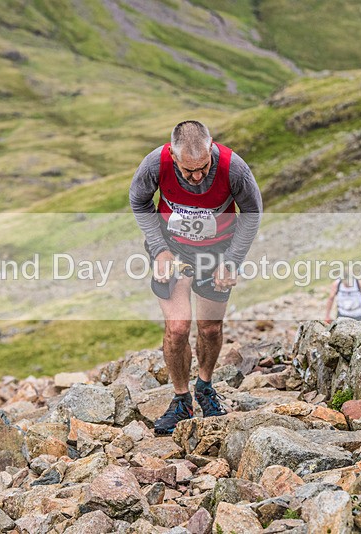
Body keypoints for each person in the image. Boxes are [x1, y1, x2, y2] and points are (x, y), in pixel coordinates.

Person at [130, 121, 262, 435]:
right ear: (173, 155)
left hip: (217, 251)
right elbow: (139, 201)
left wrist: (231, 262)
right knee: (177, 329)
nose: (198, 177)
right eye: (189, 171)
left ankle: (204, 386)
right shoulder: (154, 164)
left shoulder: (234, 169)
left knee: (210, 327)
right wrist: (159, 249)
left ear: (211, 146)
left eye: (203, 167)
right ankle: (180, 399)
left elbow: (252, 212)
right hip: (172, 249)